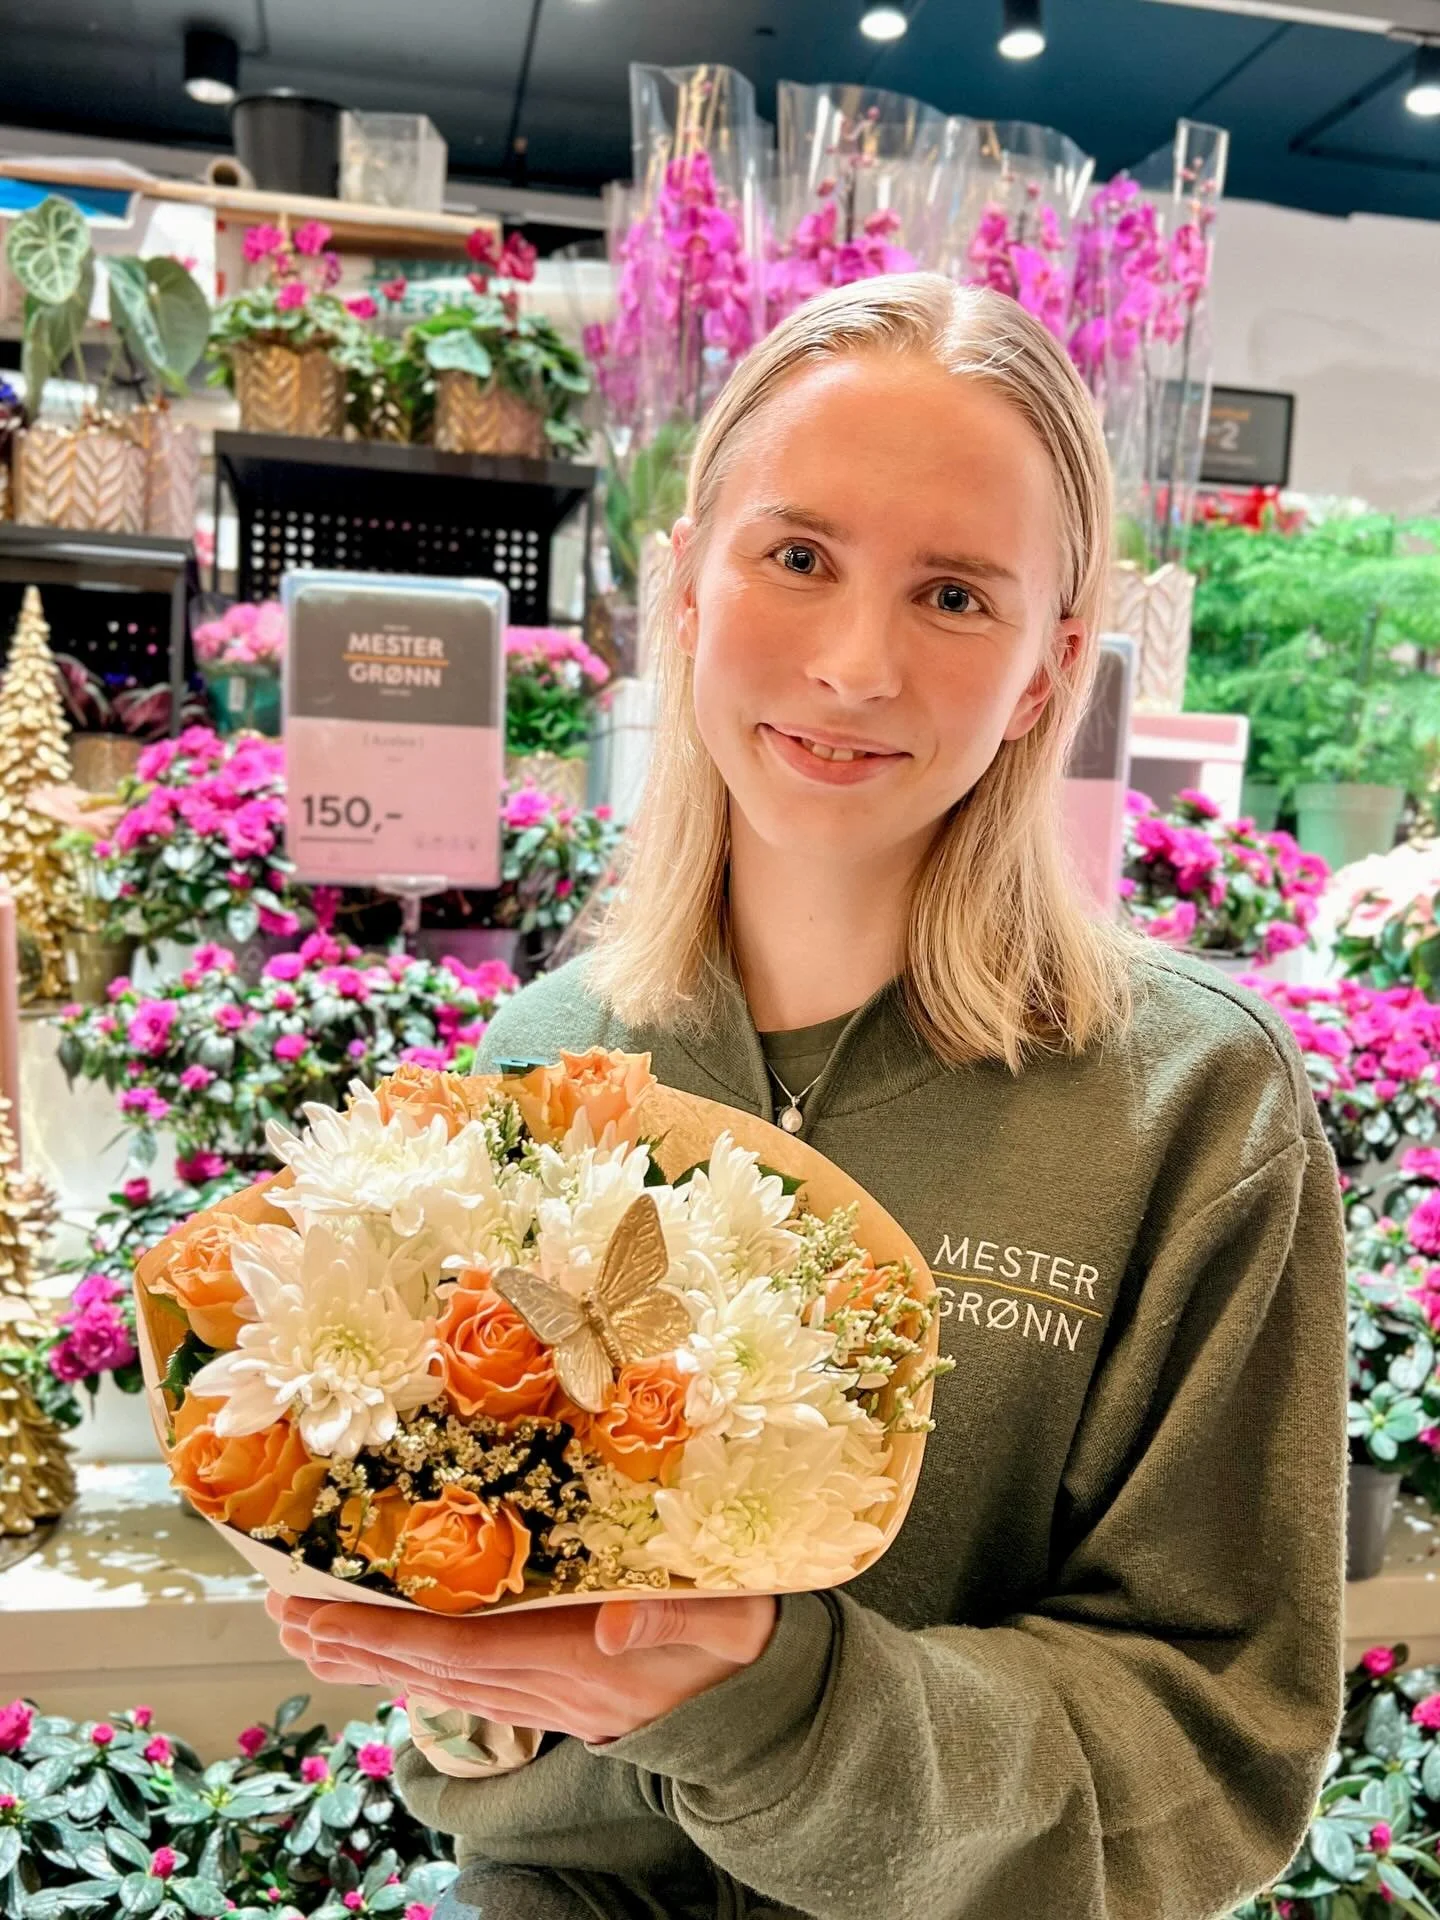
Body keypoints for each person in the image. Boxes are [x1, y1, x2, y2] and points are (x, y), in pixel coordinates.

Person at [270, 274, 1347, 1920]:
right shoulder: (544, 1066)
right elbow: (503, 1730)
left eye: (955, 596)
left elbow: (1216, 1757)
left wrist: (777, 1696)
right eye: (799, 558)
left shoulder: (1192, 1111)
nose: (855, 664)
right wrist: (450, 1667)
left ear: (1052, 671)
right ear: (684, 585)